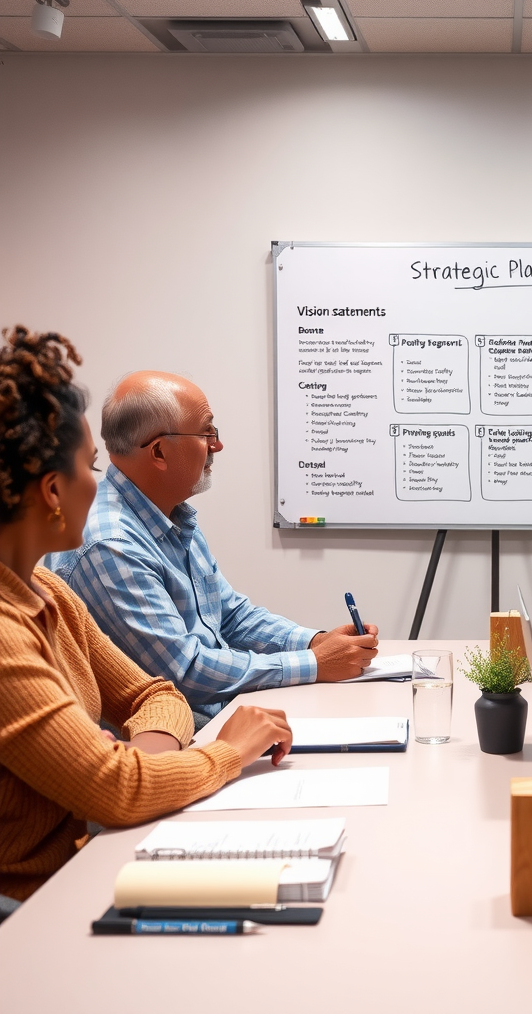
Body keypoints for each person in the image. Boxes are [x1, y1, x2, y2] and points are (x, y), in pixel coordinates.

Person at [0, 326, 294, 902]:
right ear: (54, 490)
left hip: (80, 864)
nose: (103, 480)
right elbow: (115, 789)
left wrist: (142, 768)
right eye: (91, 465)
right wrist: (228, 752)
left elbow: (155, 694)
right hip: (29, 906)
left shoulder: (45, 593)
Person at [47, 370, 378, 728]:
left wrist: (315, 641)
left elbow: (229, 615)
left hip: (215, 721)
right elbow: (183, 670)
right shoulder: (110, 545)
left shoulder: (169, 512)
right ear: (159, 451)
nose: (217, 445)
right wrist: (314, 663)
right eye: (207, 432)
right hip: (174, 745)